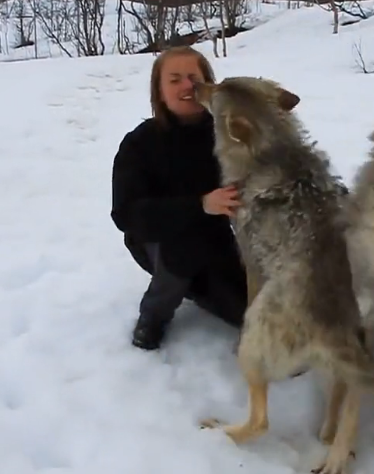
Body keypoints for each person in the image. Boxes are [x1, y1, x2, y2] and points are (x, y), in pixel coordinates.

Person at [110, 46, 248, 351]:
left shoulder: (228, 134)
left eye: (194, 78)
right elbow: (127, 215)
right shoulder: (139, 144)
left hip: (215, 241)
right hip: (157, 240)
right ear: (159, 91)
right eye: (174, 80)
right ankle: (154, 314)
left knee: (249, 313)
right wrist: (201, 205)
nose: (187, 86)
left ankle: (197, 286)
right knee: (184, 245)